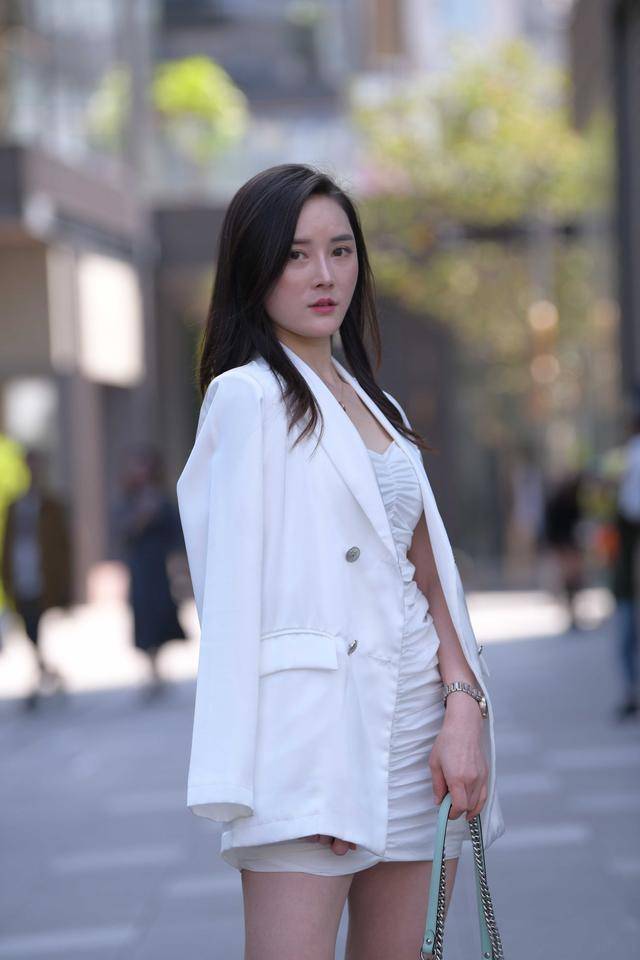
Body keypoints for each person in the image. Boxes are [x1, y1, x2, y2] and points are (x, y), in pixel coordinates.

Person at [176, 164, 505, 960]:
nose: (324, 275)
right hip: (313, 750)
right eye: (296, 255)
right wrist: (302, 765)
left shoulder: (379, 404)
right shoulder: (247, 398)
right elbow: (234, 602)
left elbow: (430, 579)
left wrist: (464, 707)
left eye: (341, 250)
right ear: (254, 268)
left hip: (421, 734)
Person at [113, 444, 187, 698]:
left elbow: (175, 532)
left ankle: (157, 664)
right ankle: (150, 665)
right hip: (140, 566)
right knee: (143, 614)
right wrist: (141, 517)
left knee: (161, 612)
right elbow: (122, 533)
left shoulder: (161, 498)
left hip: (159, 566)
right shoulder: (129, 499)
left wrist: (178, 564)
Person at [1, 448, 71, 708]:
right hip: (21, 573)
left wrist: (65, 584)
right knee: (29, 628)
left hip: (43, 575)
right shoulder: (15, 506)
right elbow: (8, 544)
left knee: (34, 626)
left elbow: (62, 547)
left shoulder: (51, 506)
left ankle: (39, 679)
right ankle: (47, 672)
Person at [610, 405, 640, 720]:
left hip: (629, 573)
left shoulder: (630, 457)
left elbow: (630, 506)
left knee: (628, 631)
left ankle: (631, 690)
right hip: (627, 569)